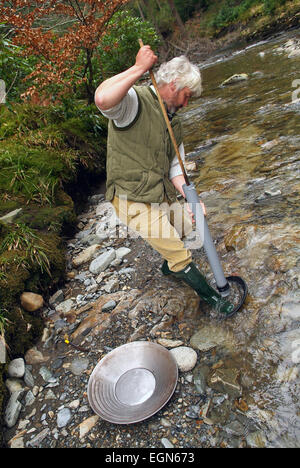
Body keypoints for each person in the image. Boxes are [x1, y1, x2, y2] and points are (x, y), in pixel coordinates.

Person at [95, 44, 234, 315]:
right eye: (186, 96)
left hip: (157, 193)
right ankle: (217, 302)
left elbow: (176, 172)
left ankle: (169, 266)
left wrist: (194, 201)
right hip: (129, 196)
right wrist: (137, 68)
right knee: (180, 253)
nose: (186, 103)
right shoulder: (133, 103)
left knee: (184, 226)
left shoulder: (175, 124)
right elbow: (102, 99)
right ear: (172, 85)